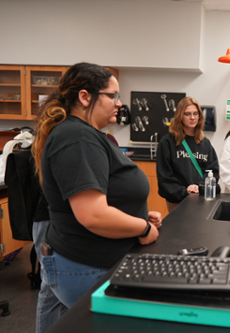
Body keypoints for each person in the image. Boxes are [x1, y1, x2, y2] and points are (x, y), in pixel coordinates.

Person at [32, 62, 161, 332]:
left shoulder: (85, 135)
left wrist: (133, 212)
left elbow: (101, 196)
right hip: (86, 266)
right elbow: (93, 214)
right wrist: (142, 227)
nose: (119, 103)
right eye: (112, 95)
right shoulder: (77, 138)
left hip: (92, 261)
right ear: (84, 97)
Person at [156, 96, 220, 212]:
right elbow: (165, 177)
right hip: (178, 201)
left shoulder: (205, 143)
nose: (192, 117)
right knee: (178, 230)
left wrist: (199, 188)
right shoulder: (167, 142)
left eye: (195, 114)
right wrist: (185, 191)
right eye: (187, 114)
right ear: (180, 116)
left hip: (201, 201)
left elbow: (212, 172)